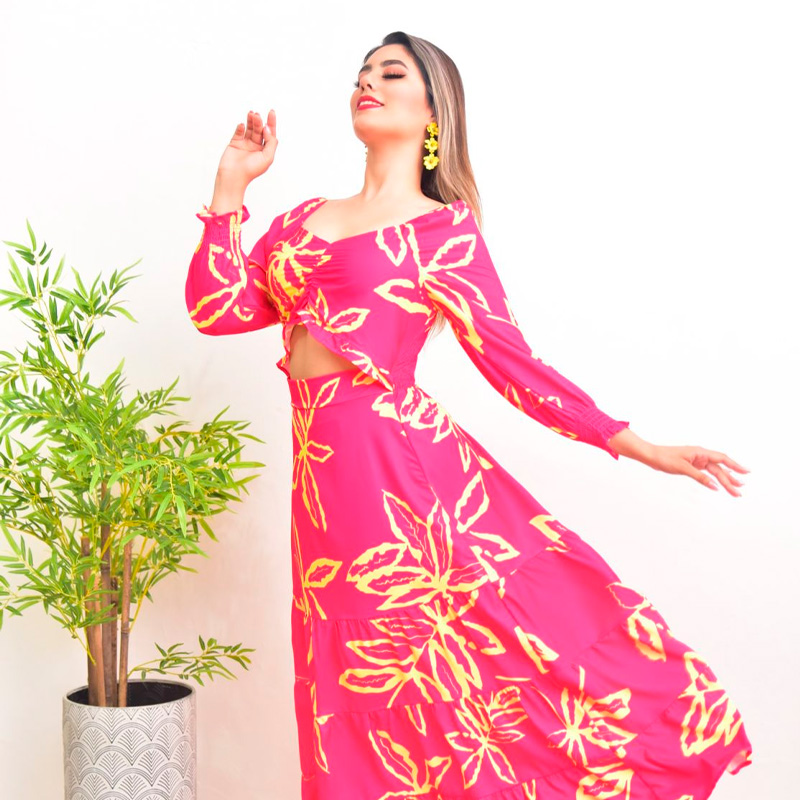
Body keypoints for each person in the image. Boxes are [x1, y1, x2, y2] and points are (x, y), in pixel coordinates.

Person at [185, 30, 753, 800]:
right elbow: (218, 309)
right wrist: (231, 186)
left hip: (400, 471)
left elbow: (514, 366)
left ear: (434, 112)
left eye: (392, 73)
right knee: (350, 670)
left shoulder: (442, 231)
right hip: (323, 484)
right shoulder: (301, 219)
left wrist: (640, 445)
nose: (368, 82)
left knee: (432, 660)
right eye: (362, 73)